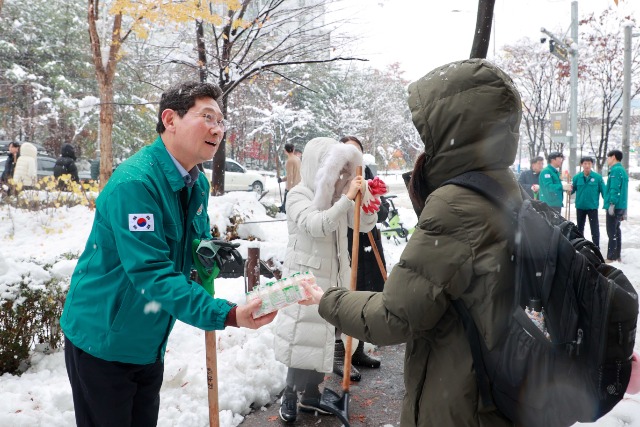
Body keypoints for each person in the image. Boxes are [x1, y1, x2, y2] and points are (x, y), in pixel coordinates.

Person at [298, 59, 522, 426]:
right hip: (490, 381)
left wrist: (327, 299)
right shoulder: (501, 188)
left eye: (429, 133)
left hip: (458, 394)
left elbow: (394, 316)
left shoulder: (457, 204)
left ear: (457, 131)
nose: (424, 144)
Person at [60, 81, 276, 427]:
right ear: (170, 119)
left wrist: (209, 255)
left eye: (221, 121)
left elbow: (193, 248)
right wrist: (228, 315)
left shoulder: (196, 182)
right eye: (207, 117)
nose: (217, 129)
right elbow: (152, 274)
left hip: (148, 337)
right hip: (104, 341)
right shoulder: (136, 184)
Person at [273, 137, 377, 423]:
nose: (340, 176)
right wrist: (345, 199)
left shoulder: (335, 196)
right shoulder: (298, 195)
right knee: (301, 339)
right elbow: (316, 226)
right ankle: (290, 396)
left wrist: (366, 200)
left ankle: (311, 396)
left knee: (324, 338)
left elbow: (363, 224)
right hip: (304, 280)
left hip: (333, 278)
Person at [335, 135, 387, 380]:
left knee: (362, 299)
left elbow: (383, 209)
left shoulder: (368, 178)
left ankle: (356, 350)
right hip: (344, 247)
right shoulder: (334, 178)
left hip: (368, 246)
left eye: (356, 151)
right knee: (343, 299)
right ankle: (338, 353)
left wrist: (373, 201)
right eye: (347, 151)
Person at [571, 156, 605, 248]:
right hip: (580, 206)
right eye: (585, 163)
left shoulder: (597, 177)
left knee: (594, 229)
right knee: (579, 229)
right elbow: (572, 190)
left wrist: (607, 204)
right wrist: (568, 188)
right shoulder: (577, 177)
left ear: (592, 164)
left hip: (592, 207)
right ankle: (580, 246)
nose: (587, 165)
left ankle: (596, 247)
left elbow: (604, 191)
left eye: (589, 163)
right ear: (581, 164)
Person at [603, 149, 628, 263]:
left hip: (615, 205)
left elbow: (615, 189)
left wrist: (612, 203)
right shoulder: (622, 170)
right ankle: (617, 255)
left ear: (613, 157)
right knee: (616, 230)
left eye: (608, 157)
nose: (607, 159)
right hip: (621, 205)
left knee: (612, 231)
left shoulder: (615, 170)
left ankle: (611, 257)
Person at [278, 143, 302, 213]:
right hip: (298, 185)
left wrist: (288, 190)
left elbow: (290, 176)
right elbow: (294, 174)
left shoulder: (290, 161)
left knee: (286, 209)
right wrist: (282, 180)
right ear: (293, 149)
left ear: (285, 151)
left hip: (291, 187)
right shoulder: (297, 159)